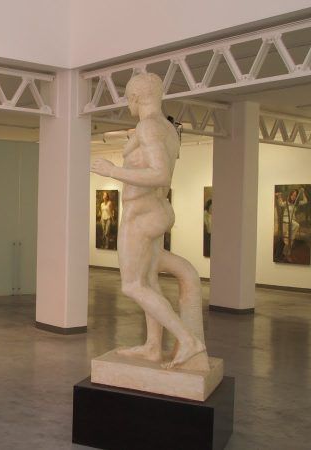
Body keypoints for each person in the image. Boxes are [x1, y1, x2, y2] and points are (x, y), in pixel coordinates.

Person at [91, 72, 208, 371]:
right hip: (155, 210)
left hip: (141, 213)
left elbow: (160, 174)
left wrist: (112, 171)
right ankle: (154, 347)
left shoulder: (148, 126)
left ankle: (188, 340)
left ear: (134, 98)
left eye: (128, 99)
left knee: (132, 285)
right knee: (149, 280)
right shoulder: (168, 128)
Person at [276, 187, 308, 262]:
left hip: (292, 221)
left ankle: (287, 253)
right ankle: (286, 245)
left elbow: (305, 201)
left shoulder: (296, 204)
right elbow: (280, 204)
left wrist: (303, 192)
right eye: (292, 195)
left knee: (290, 239)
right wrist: (279, 196)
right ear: (290, 195)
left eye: (295, 195)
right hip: (286, 220)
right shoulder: (287, 202)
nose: (293, 197)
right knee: (296, 226)